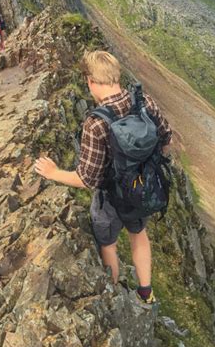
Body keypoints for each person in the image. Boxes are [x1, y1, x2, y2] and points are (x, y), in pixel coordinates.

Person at [35, 50, 172, 305]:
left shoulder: (96, 123)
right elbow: (166, 137)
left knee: (108, 244)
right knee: (139, 234)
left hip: (110, 198)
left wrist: (53, 173)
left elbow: (88, 179)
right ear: (116, 75)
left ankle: (114, 289)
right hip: (142, 188)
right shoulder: (144, 102)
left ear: (90, 81)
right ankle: (146, 292)